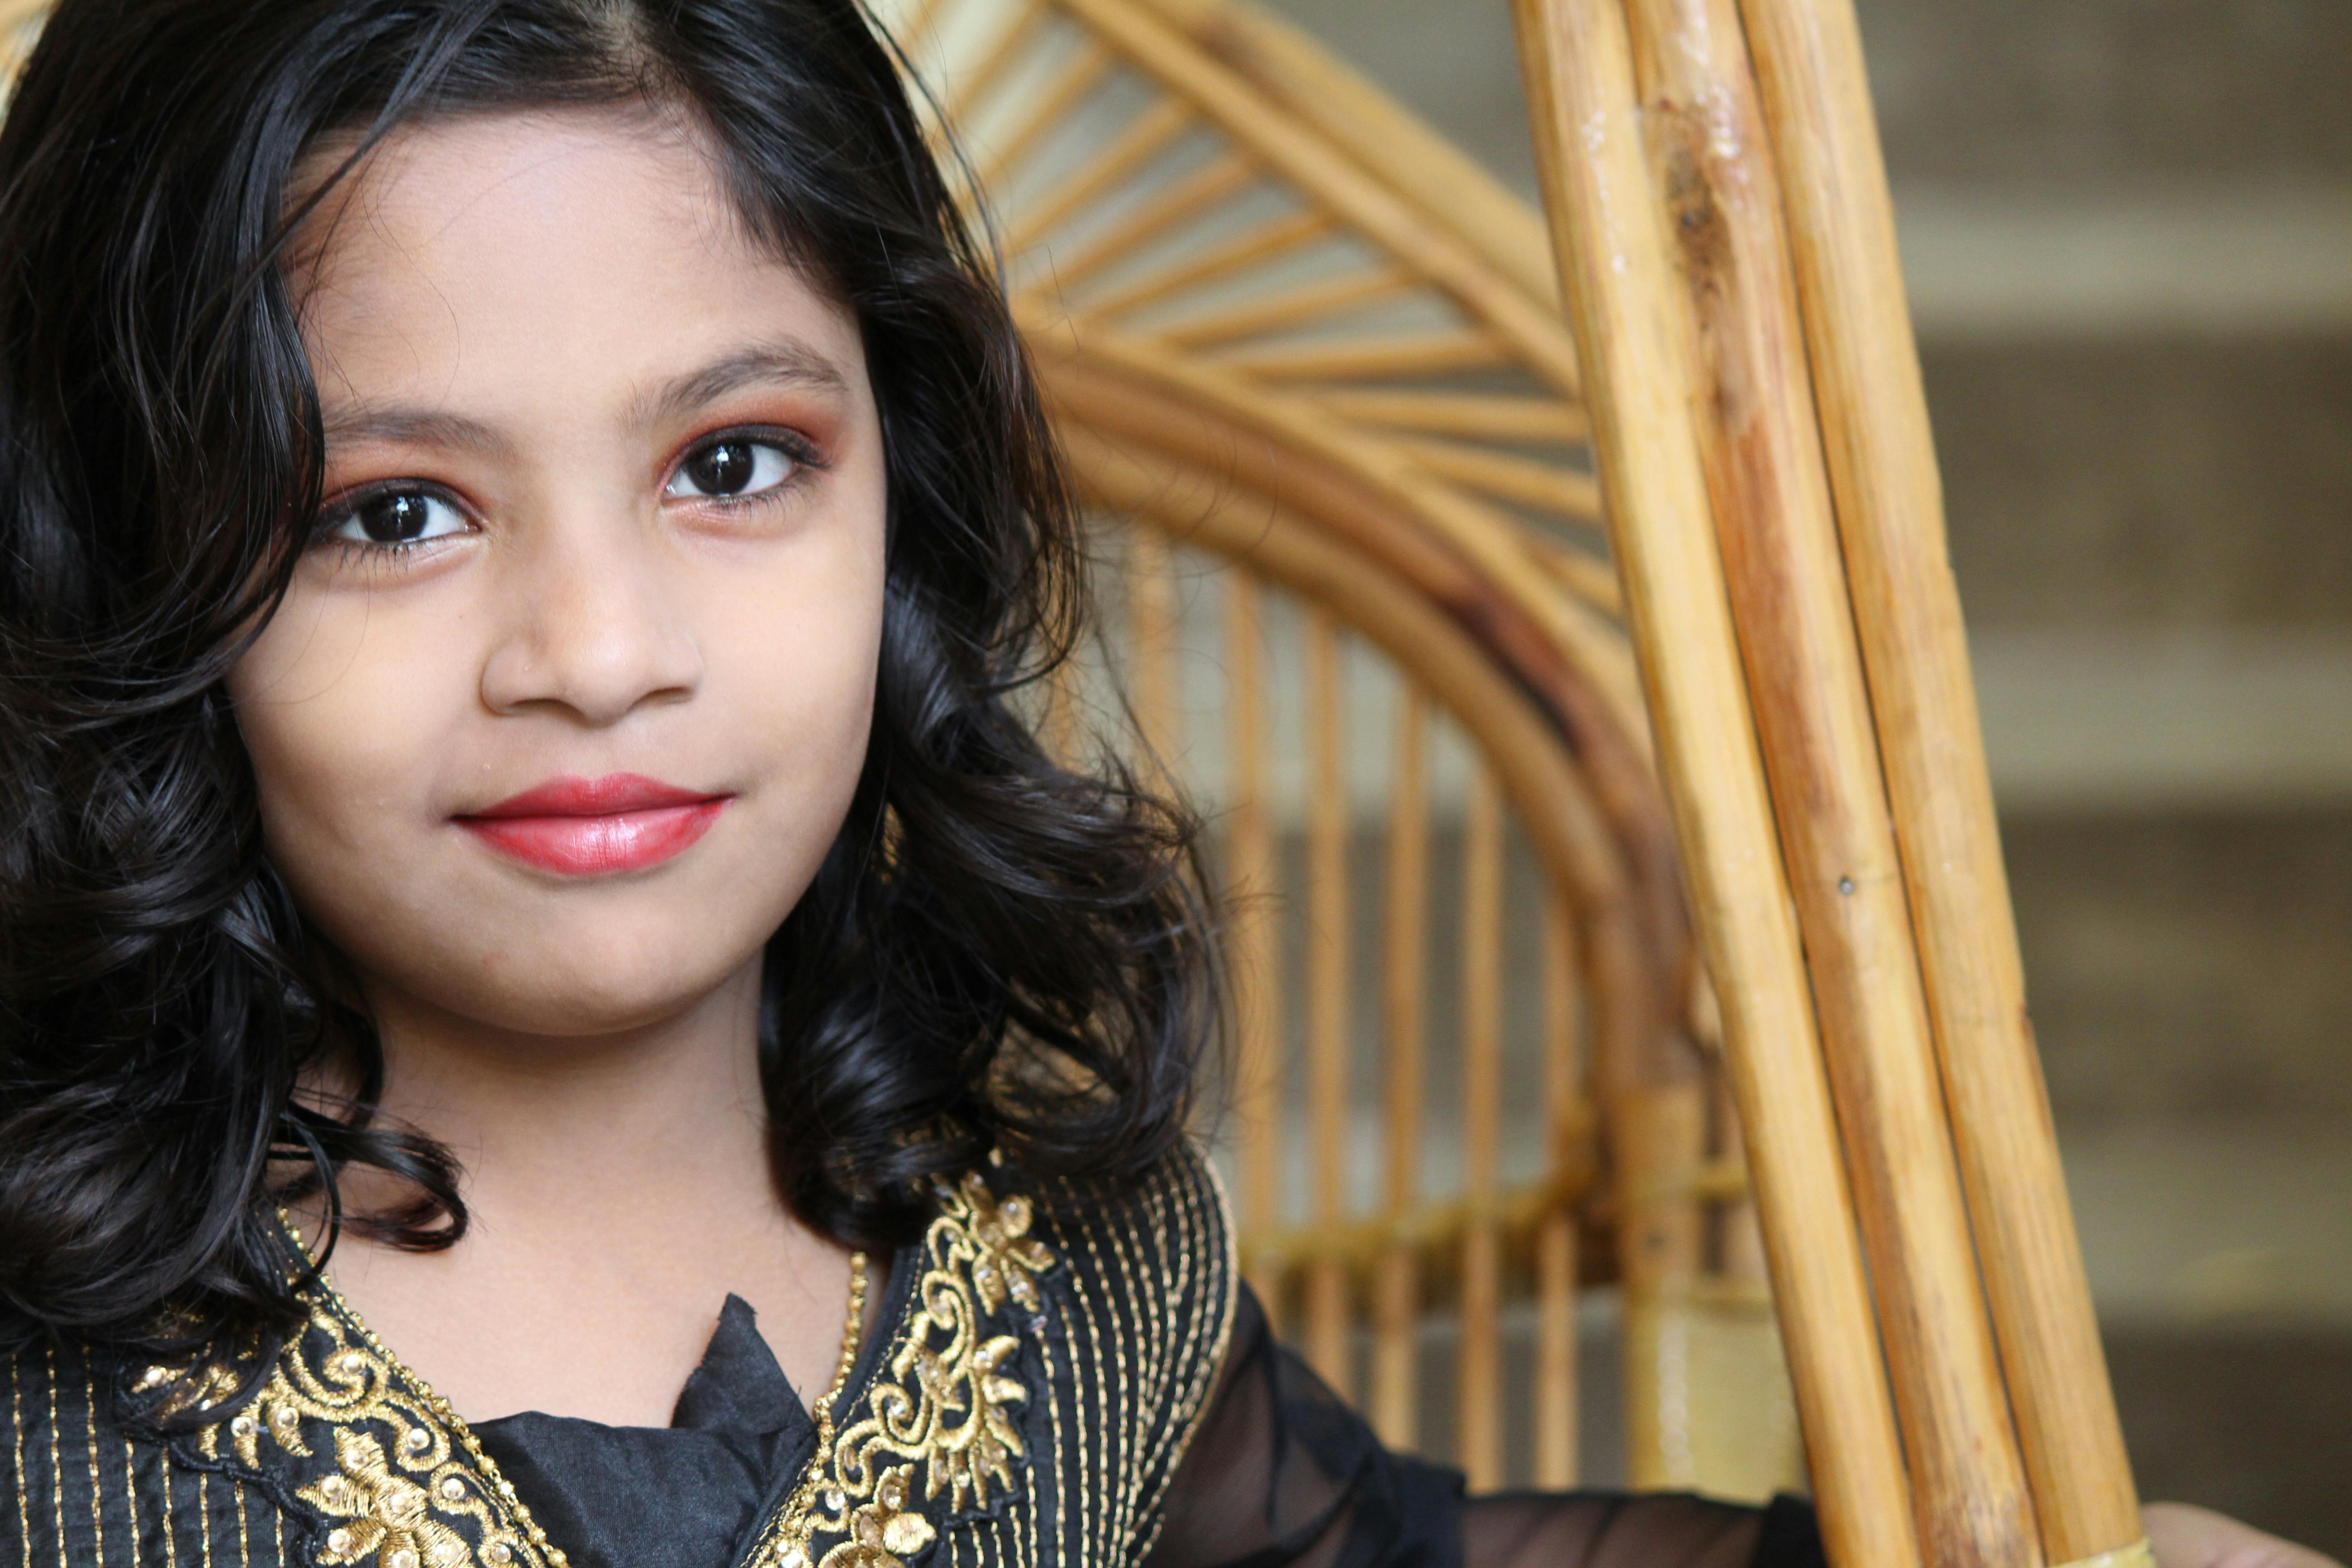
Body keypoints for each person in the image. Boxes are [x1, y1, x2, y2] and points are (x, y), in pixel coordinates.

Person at [0, 2, 2332, 1565]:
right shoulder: (52, 1395)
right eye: (393, 510)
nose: (601, 654)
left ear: (905, 489)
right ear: (127, 562)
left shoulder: (1042, 1256)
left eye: (734, 462)